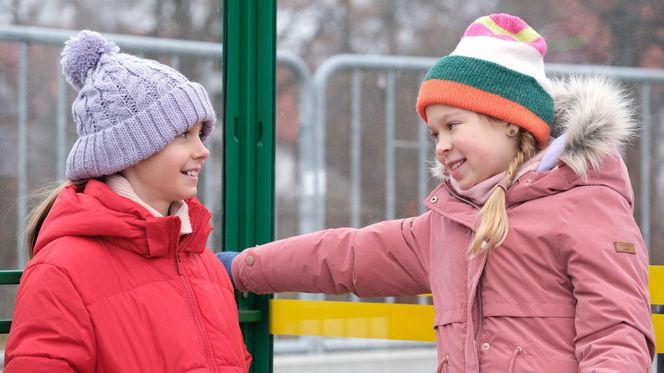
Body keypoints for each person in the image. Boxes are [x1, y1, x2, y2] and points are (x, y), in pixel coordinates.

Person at [217, 13, 655, 372]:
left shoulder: (586, 205)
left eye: (453, 125)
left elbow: (616, 334)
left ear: (509, 121)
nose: (441, 144)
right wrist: (242, 267)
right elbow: (346, 255)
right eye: (434, 133)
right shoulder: (448, 225)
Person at [5, 30, 251, 372]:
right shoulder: (63, 272)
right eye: (183, 135)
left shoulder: (204, 264)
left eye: (200, 133)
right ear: (130, 150)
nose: (203, 150)